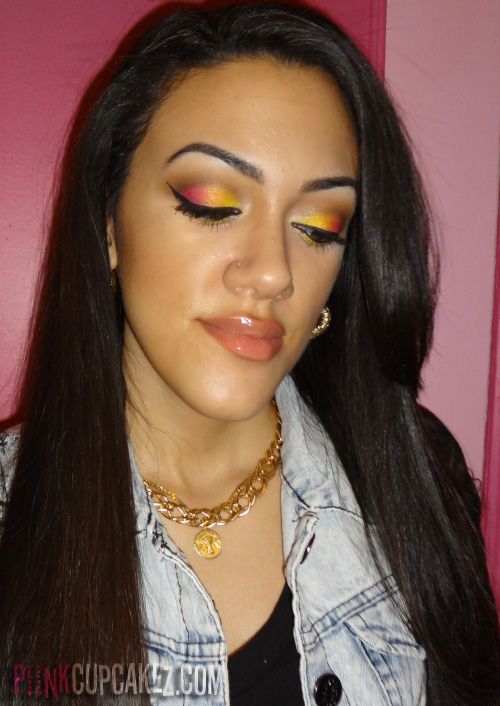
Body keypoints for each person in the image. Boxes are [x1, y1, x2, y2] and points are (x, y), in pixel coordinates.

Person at [0, 2, 498, 705]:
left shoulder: (416, 479)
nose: (273, 274)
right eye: (212, 203)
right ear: (109, 221)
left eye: (319, 225)